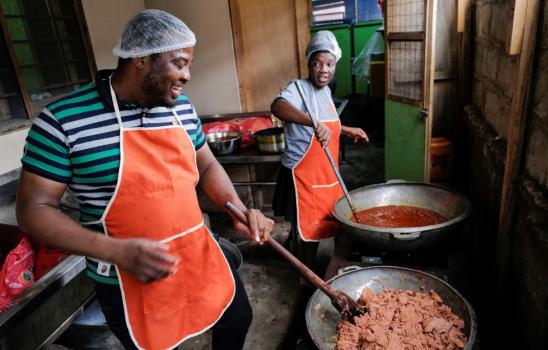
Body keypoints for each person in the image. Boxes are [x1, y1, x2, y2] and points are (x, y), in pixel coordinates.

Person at [16, 9, 273, 350]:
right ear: (140, 59)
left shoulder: (181, 108)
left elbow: (208, 165)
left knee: (237, 318)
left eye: (189, 65)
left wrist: (237, 208)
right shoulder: (62, 121)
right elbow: (34, 210)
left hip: (198, 254)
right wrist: (115, 251)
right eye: (179, 63)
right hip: (126, 276)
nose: (187, 76)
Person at [271, 31, 369, 282]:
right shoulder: (298, 87)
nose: (323, 70)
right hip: (304, 174)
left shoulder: (325, 91)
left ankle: (340, 267)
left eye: (329, 64)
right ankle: (307, 275)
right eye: (317, 63)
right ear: (309, 65)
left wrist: (346, 129)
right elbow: (277, 106)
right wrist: (311, 122)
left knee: (336, 221)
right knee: (309, 228)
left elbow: (329, 124)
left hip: (327, 172)